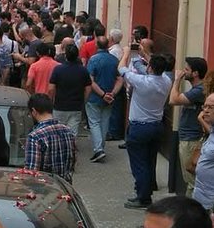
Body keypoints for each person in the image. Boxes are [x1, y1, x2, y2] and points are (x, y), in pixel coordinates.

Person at [119, 45, 172, 209]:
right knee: (149, 162)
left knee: (139, 164)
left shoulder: (142, 81)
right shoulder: (167, 81)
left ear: (149, 67)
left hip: (139, 127)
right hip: (156, 125)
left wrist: (127, 53)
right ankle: (147, 193)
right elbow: (156, 68)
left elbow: (121, 68)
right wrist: (145, 54)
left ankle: (142, 197)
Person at [170, 58, 207, 196]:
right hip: (188, 137)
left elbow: (173, 100)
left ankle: (191, 211)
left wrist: (177, 80)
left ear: (195, 73)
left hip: (191, 139)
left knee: (191, 179)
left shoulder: (199, 90)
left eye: (187, 69)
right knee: (190, 178)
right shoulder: (197, 89)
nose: (183, 72)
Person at [23, 93, 76, 179]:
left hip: (44, 188)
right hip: (64, 186)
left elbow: (31, 172)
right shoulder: (69, 131)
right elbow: (72, 162)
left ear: (34, 111)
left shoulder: (35, 136)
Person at [86, 37, 121, 163]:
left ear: (96, 45)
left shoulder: (93, 60)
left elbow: (90, 80)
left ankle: (98, 149)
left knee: (94, 122)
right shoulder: (114, 60)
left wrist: (102, 94)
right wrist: (112, 93)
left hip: (95, 97)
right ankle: (101, 147)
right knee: (104, 122)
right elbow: (120, 79)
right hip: (109, 98)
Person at [49, 43, 91, 141]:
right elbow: (88, 88)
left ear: (65, 55)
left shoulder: (58, 69)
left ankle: (59, 151)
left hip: (60, 105)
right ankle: (71, 151)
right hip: (76, 106)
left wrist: (51, 101)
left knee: (58, 132)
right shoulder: (83, 71)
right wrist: (83, 101)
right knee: (72, 133)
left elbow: (51, 88)